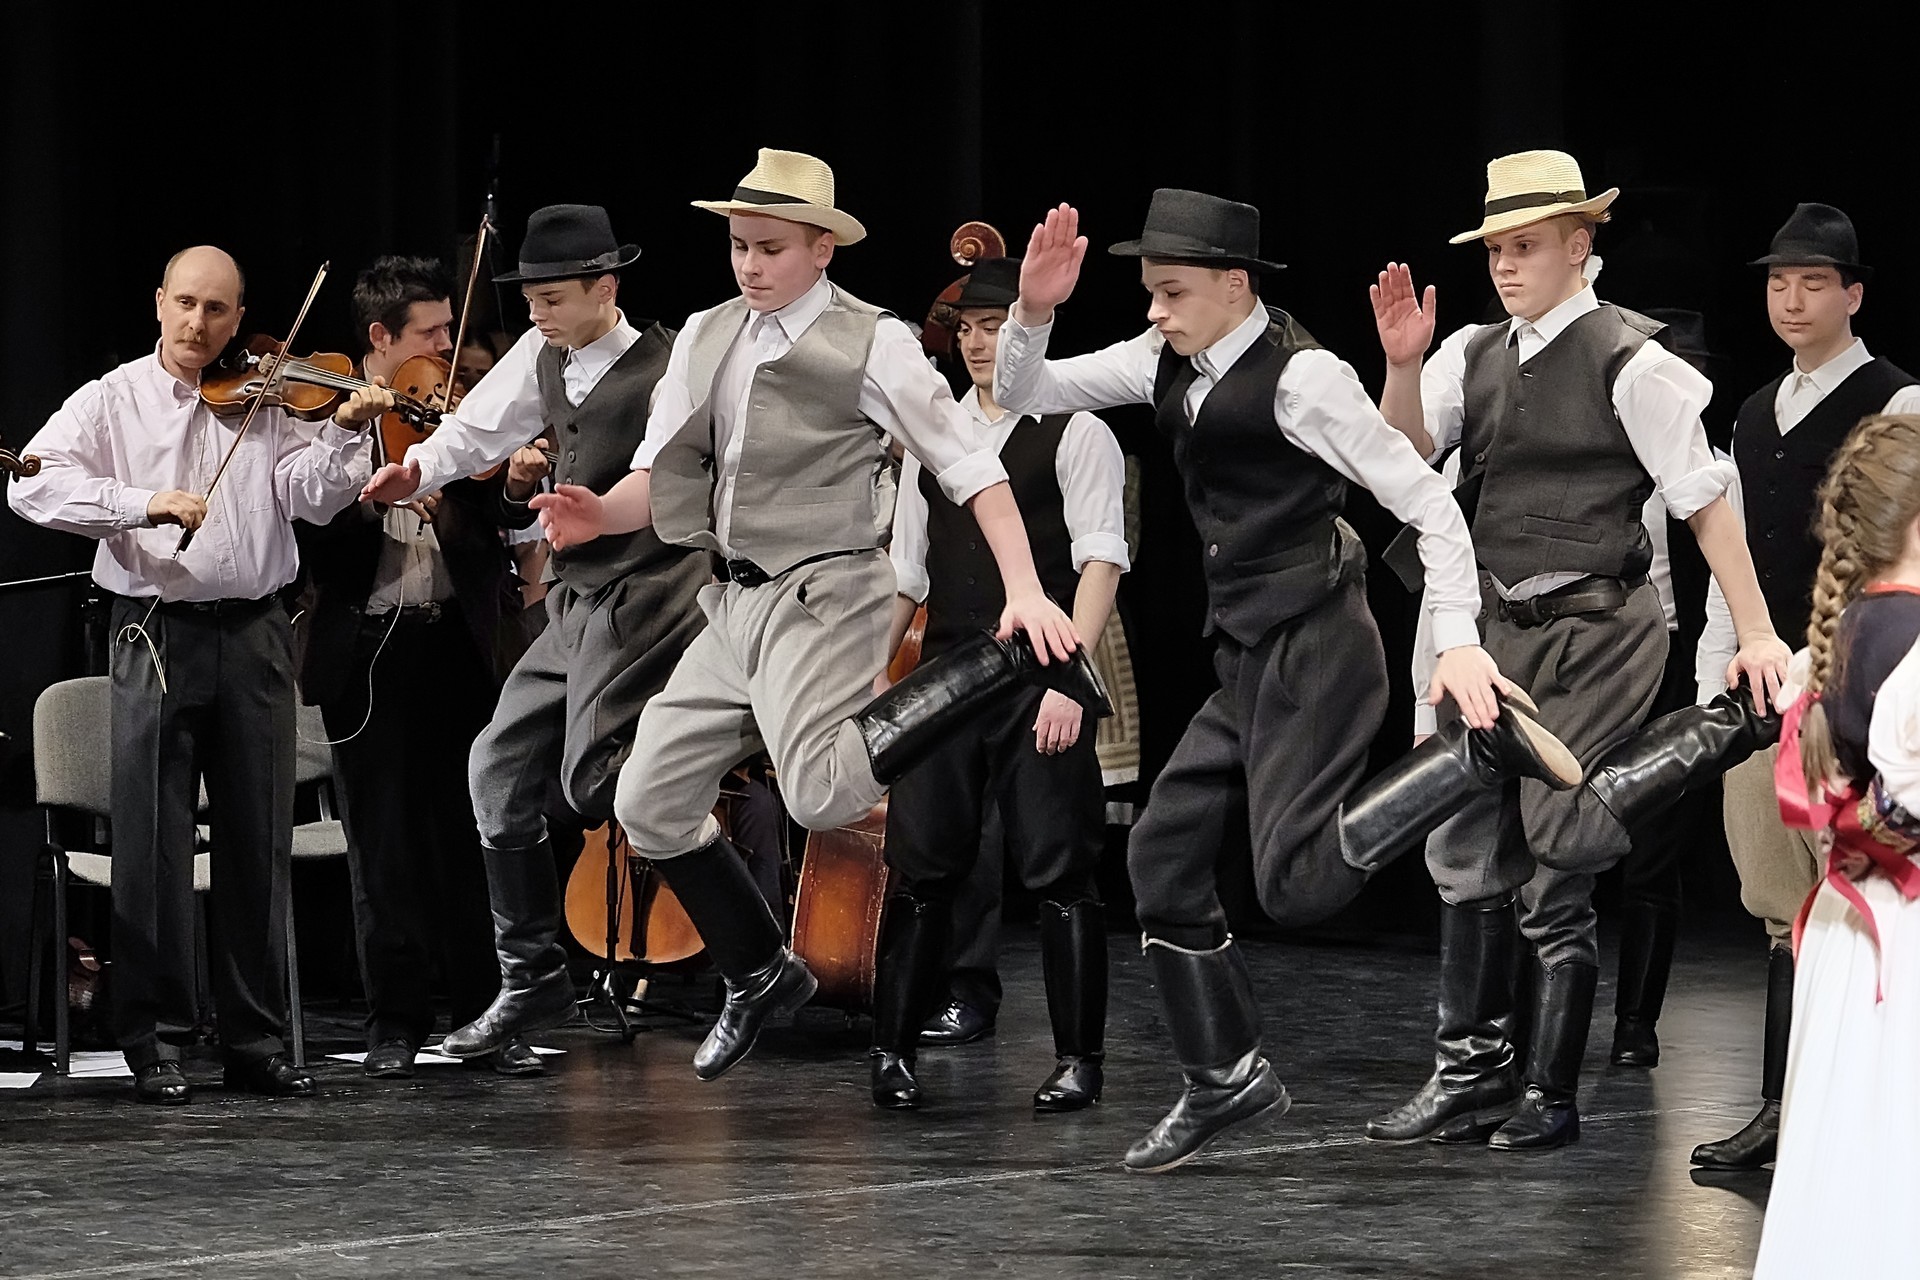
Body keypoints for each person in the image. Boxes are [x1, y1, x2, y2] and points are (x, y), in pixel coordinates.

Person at [993, 189, 1582, 1173]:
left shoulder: (1306, 380)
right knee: (1161, 858)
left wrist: (1457, 645)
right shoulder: (1161, 358)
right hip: (1245, 650)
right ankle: (1225, 1076)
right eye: (1149, 293)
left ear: (1235, 286)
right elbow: (1026, 390)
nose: (1156, 311)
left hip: (1319, 643)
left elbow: (1431, 505)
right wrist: (1033, 311)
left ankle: (1470, 755)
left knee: (1296, 887)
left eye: (1173, 292)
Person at [529, 148, 1106, 1086]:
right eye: (739, 247)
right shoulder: (708, 335)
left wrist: (1026, 590)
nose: (750, 266)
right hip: (733, 600)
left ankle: (983, 671)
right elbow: (654, 473)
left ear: (822, 249)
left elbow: (971, 468)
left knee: (821, 798)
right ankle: (761, 971)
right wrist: (599, 512)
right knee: (646, 800)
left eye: (771, 249)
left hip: (825, 592)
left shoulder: (871, 342)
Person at [1365, 150, 1788, 1152]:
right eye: (1496, 250)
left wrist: (1757, 628)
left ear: (1579, 244)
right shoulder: (1472, 351)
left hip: (1597, 633)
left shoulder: (1632, 362)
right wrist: (1401, 366)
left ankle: (1550, 1093)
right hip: (1493, 633)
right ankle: (1471, 1073)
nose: (1507, 265)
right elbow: (1403, 459)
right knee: (1464, 844)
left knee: (1558, 851)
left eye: (1526, 246)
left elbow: (1705, 506)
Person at [8, 246, 392, 1103]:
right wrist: (139, 504)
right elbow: (32, 485)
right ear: (159, 302)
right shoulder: (112, 398)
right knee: (153, 838)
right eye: (186, 303)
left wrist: (346, 430)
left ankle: (255, 1038)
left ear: (239, 316)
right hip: (153, 630)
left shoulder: (267, 397)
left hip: (257, 629)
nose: (199, 324)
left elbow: (313, 496)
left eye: (217, 310)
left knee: (259, 836)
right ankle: (155, 1040)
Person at [359, 205, 711, 1060]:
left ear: (606, 287)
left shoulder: (669, 364)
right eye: (531, 300)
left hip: (651, 592)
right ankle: (532, 978)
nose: (537, 314)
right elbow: (475, 428)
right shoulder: (539, 354)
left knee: (594, 785)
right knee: (494, 770)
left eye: (553, 299)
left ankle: (751, 949)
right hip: (576, 600)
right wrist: (415, 470)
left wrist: (603, 513)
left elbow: (667, 476)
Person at [867, 253, 1129, 1110]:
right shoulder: (933, 440)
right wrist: (871, 680)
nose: (981, 344)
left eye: (996, 328)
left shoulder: (1075, 431)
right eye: (971, 329)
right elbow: (907, 576)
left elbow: (1099, 563)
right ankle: (892, 1050)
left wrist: (1071, 682)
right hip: (946, 677)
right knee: (922, 865)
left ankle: (1079, 1058)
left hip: (1036, 676)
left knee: (1061, 868)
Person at [1690, 204, 1920, 1169]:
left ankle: (1855, 1110)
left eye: (1813, 281)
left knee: (1861, 900)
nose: (1791, 298)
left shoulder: (1898, 403)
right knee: (1779, 904)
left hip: (1860, 688)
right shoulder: (1753, 411)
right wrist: (1717, 675)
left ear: (1853, 295)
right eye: (1778, 282)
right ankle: (1783, 1108)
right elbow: (1732, 558)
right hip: (1765, 687)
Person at [296, 255, 542, 1078]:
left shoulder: (457, 414)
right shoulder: (325, 425)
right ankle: (394, 1025)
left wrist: (507, 487)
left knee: (470, 837)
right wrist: (376, 501)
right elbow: (309, 541)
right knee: (384, 846)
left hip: (455, 645)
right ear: (380, 336)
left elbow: (498, 516)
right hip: (367, 650)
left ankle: (485, 1017)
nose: (447, 348)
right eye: (431, 333)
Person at [1752, 413, 1920, 1279]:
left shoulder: (1842, 633)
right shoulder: (1912, 642)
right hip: (1903, 933)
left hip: (1853, 937)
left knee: (1848, 1148)